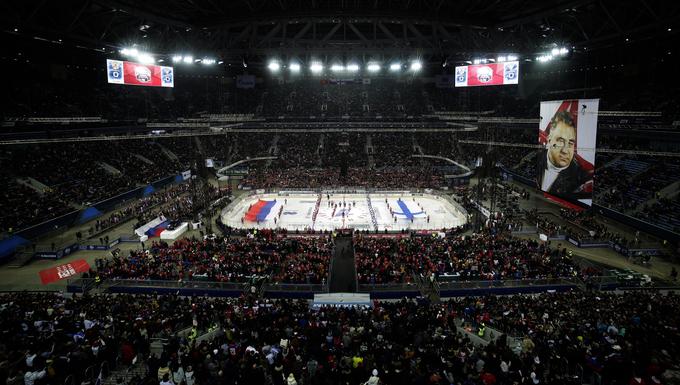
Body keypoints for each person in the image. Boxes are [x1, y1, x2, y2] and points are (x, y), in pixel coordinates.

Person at [536, 110, 592, 200]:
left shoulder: (580, 178)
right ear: (549, 140)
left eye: (570, 143)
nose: (565, 150)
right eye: (561, 141)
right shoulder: (537, 158)